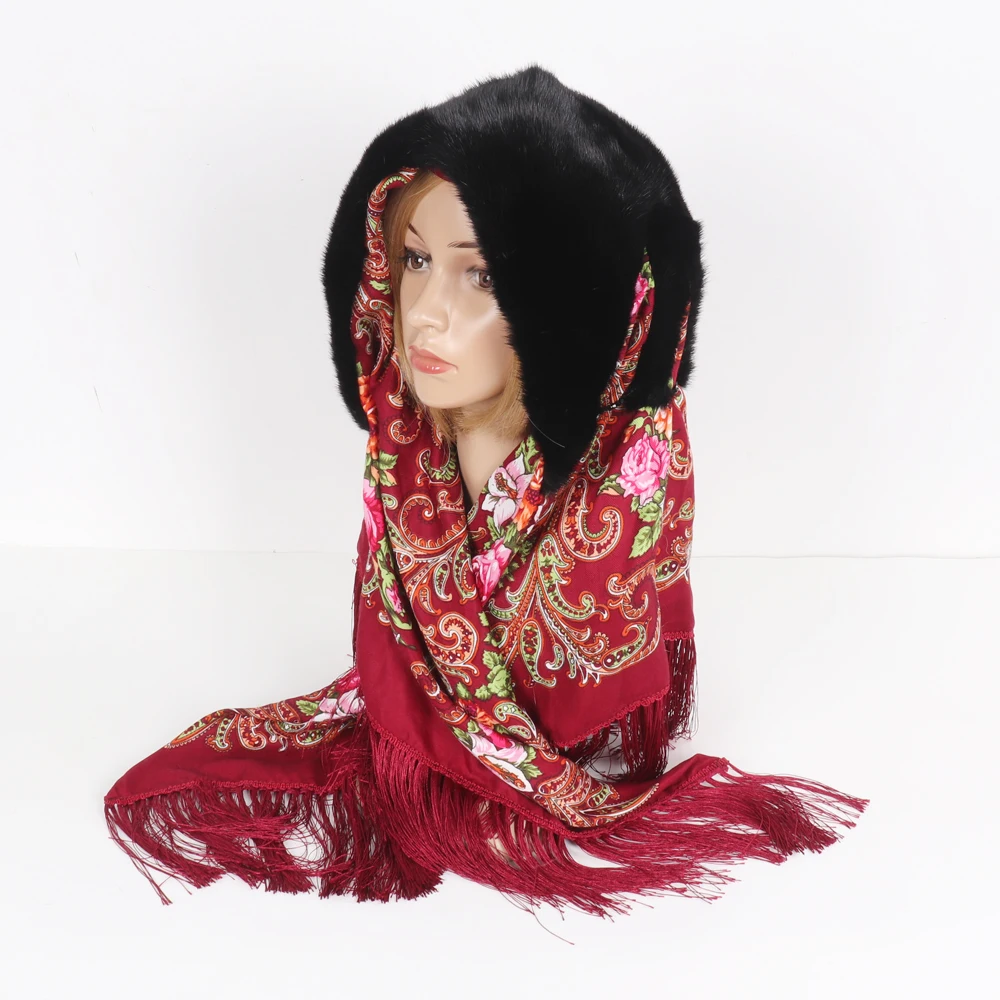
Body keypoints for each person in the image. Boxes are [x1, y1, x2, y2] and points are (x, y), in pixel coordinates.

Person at [104, 65, 869, 917]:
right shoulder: (406, 468)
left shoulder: (614, 503)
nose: (425, 311)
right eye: (416, 260)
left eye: (482, 276)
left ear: (579, 315)